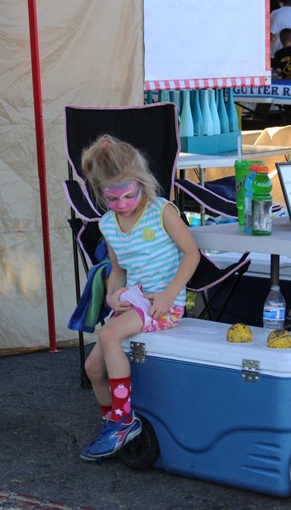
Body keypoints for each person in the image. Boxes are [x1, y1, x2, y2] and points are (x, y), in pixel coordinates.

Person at [78, 134, 200, 460]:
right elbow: (117, 270)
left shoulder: (162, 212)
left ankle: (122, 420)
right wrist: (111, 296)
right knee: (92, 368)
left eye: (128, 195)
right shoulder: (108, 224)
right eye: (111, 198)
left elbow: (191, 255)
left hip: (164, 303)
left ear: (140, 180)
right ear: (100, 191)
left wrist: (169, 295)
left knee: (108, 334)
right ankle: (111, 424)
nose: (121, 204)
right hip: (134, 302)